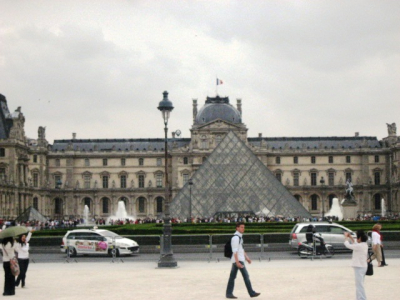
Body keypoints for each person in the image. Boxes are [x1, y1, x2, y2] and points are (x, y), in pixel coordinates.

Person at [226, 222, 260, 299]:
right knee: (246, 276)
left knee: (232, 277)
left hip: (238, 260)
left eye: (243, 227)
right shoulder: (236, 238)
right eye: (241, 227)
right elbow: (235, 251)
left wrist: (247, 257)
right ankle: (251, 293)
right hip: (238, 260)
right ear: (237, 228)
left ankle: (229, 293)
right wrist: (237, 262)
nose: (243, 229)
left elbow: (241, 249)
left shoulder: (239, 237)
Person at [344, 230, 368, 300]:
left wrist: (346, 238)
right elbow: (355, 244)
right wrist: (350, 237)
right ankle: (360, 298)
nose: (356, 238)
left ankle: (362, 298)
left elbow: (348, 245)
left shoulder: (360, 246)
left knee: (359, 285)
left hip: (359, 267)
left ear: (360, 238)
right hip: (362, 266)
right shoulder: (363, 244)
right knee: (360, 284)